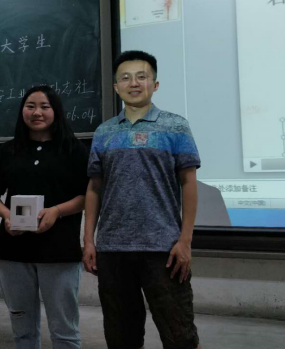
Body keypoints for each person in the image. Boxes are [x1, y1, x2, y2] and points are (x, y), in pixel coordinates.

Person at [83, 51, 202, 350]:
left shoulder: (175, 126)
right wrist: (88, 241)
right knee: (121, 338)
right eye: (125, 78)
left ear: (155, 84)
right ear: (116, 87)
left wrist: (185, 241)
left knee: (181, 337)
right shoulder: (104, 132)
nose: (133, 83)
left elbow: (188, 183)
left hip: (163, 249)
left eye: (141, 76)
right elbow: (94, 187)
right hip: (113, 249)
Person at [0, 85, 89, 350]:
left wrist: (57, 211)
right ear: (22, 111)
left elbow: (88, 196)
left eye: (44, 106)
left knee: (64, 329)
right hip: (13, 250)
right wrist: (6, 215)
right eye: (30, 106)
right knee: (22, 330)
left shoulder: (74, 150)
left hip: (59, 251)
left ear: (56, 111)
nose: (37, 112)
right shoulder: (9, 151)